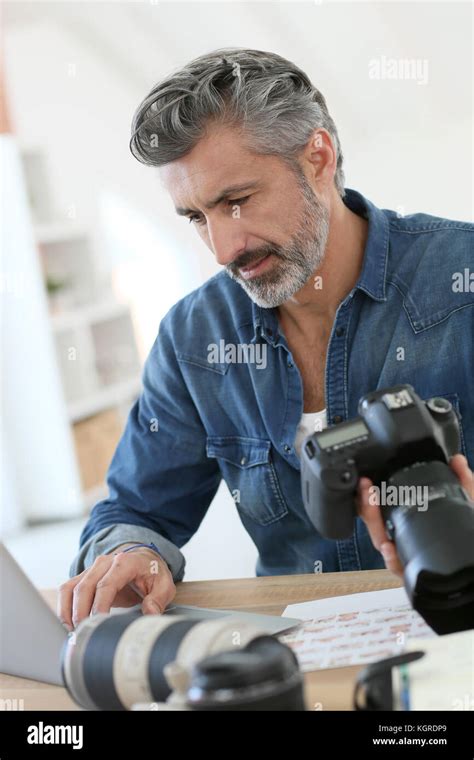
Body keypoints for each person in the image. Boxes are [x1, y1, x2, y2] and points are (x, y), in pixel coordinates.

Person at [58, 48, 474, 631]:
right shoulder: (193, 338)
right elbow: (134, 508)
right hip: (301, 653)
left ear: (318, 158)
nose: (226, 249)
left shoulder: (463, 277)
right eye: (197, 217)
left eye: (237, 201)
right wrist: (133, 554)